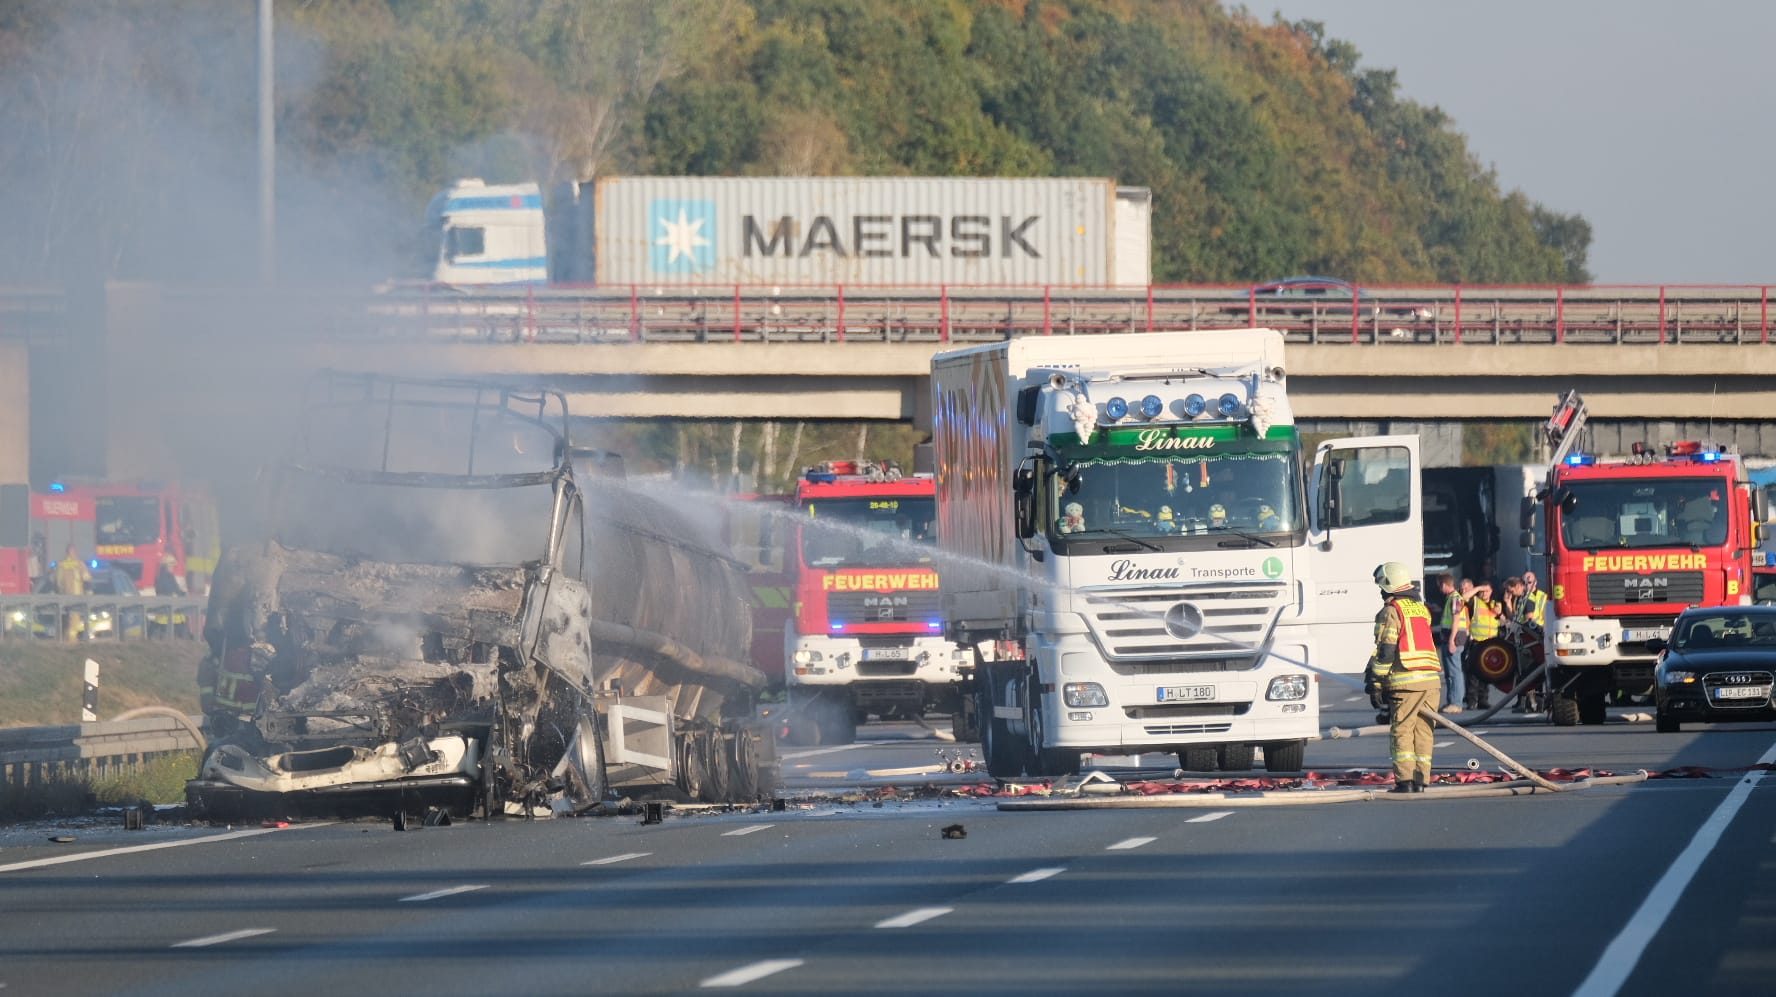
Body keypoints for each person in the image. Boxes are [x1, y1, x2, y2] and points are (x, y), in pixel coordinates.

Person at [1364, 561, 1442, 794]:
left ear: (1389, 585)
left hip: (1406, 682)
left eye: (1381, 586)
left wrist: (1376, 682)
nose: (1380, 592)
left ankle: (1405, 781)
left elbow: (1386, 651)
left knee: (1402, 731)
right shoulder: (1421, 609)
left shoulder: (1391, 611)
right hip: (1431, 681)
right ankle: (1421, 780)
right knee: (1424, 732)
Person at [1463, 580, 1501, 710]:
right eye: (1483, 591)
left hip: (1490, 643)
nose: (1485, 593)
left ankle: (1483, 700)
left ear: (1492, 592)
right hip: (1477, 642)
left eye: (1487, 590)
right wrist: (1478, 587)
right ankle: (1472, 700)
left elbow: (1505, 621)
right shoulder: (1475, 602)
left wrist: (1499, 613)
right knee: (1473, 673)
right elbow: (1465, 597)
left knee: (1486, 673)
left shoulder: (1495, 604)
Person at [1433, 572, 1467, 714]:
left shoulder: (1454, 599)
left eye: (1440, 586)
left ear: (1444, 585)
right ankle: (1452, 701)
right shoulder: (1451, 599)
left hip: (1454, 638)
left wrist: (1452, 640)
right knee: (1450, 672)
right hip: (1450, 638)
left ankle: (1456, 703)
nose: (1440, 589)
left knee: (1454, 672)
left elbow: (1456, 620)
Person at [52, 543, 92, 643]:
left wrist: (57, 596)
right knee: (73, 623)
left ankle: (63, 642)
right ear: (73, 551)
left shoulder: (60, 565)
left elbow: (56, 583)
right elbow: (87, 580)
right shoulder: (79, 564)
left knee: (64, 621)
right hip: (76, 598)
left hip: (62, 599)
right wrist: (89, 595)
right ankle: (72, 643)